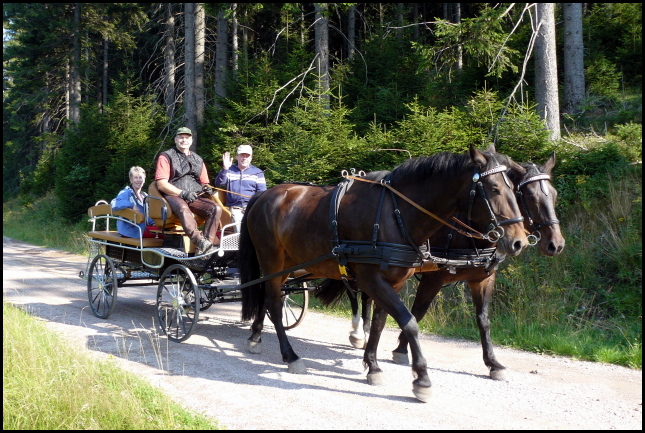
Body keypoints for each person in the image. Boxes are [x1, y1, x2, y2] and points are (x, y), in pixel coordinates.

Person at [155, 127, 222, 255]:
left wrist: (207, 188)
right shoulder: (166, 156)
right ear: (176, 139)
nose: (184, 140)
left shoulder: (198, 159)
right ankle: (198, 239)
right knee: (183, 207)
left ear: (191, 140)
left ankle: (204, 248)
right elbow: (161, 184)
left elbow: (204, 182)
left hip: (194, 196)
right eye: (181, 137)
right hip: (174, 194)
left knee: (216, 208)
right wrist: (182, 193)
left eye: (187, 137)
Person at [214, 144, 267, 226]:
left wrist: (251, 206)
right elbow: (219, 184)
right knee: (241, 228)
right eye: (242, 155)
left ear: (251, 158)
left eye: (247, 156)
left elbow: (262, 193)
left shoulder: (258, 172)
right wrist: (225, 169)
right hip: (235, 209)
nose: (244, 158)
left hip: (252, 208)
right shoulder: (229, 170)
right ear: (237, 157)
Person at [111, 166, 161, 239]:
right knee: (165, 235)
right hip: (131, 230)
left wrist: (153, 223)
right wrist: (131, 205)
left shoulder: (144, 196)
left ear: (144, 180)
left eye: (140, 178)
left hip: (142, 228)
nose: (138, 180)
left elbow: (147, 214)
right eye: (136, 178)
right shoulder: (126, 192)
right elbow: (115, 204)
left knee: (165, 230)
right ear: (131, 180)